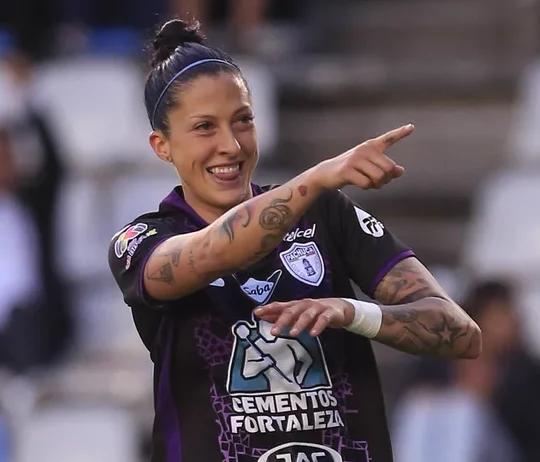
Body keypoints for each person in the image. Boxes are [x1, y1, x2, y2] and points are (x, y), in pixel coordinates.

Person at [108, 19, 482, 462]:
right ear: (162, 145)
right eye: (205, 127)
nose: (231, 145)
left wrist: (351, 312)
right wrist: (316, 178)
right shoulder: (142, 241)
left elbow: (461, 334)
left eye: (243, 121)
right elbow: (219, 249)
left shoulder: (325, 213)